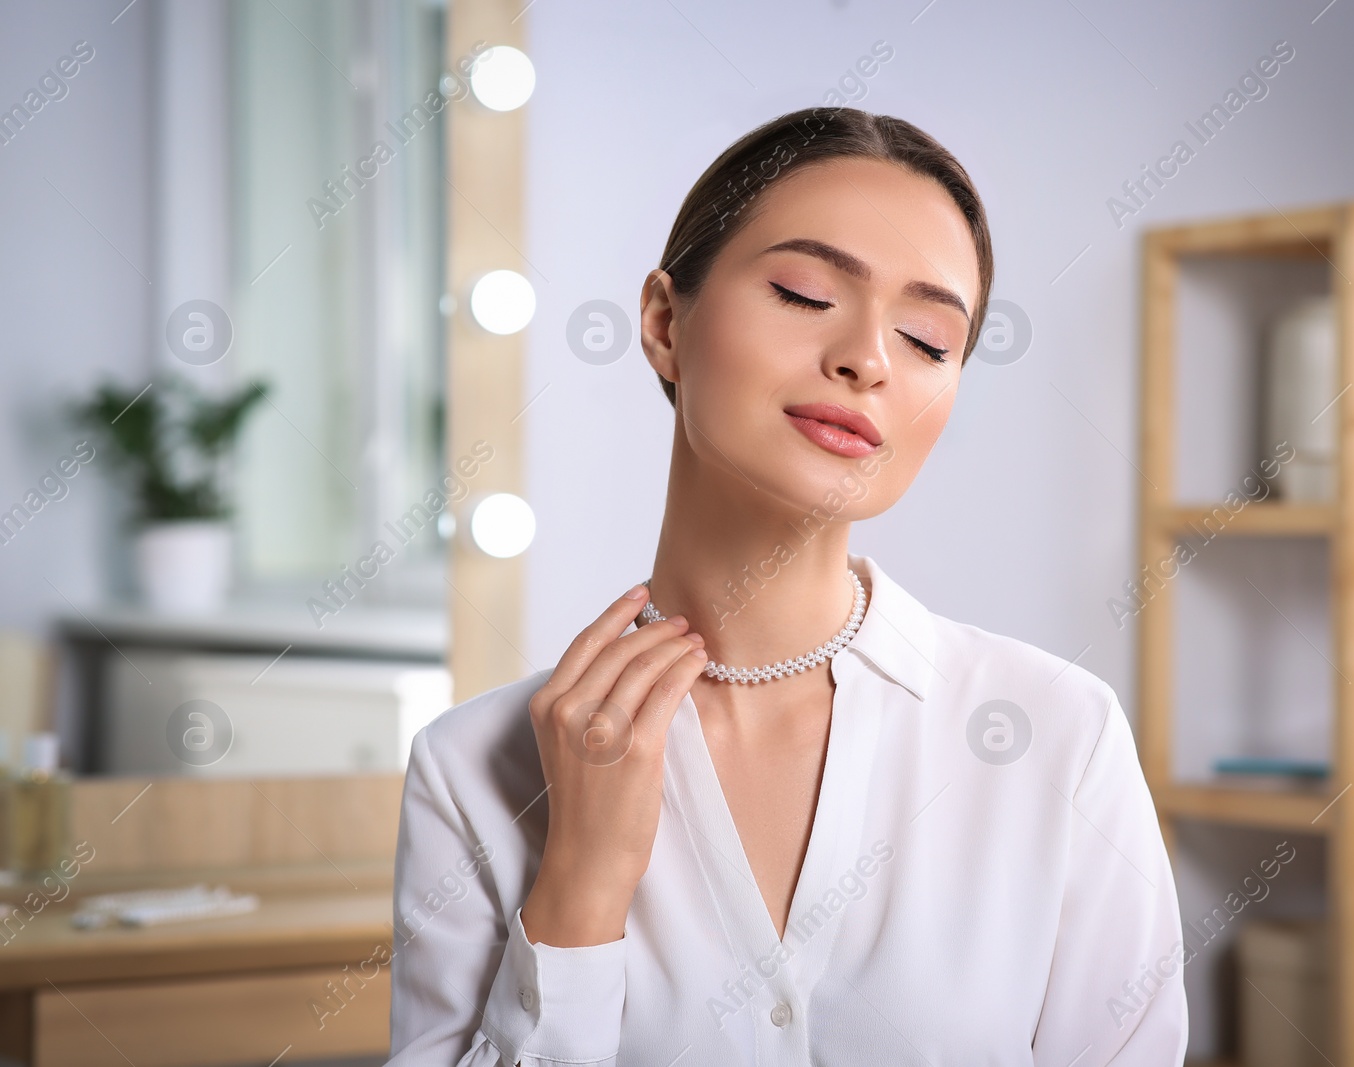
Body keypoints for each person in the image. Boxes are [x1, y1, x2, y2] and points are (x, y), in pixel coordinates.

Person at [387, 106, 1187, 1066]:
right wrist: (581, 892)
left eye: (930, 340)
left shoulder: (1057, 736)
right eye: (807, 293)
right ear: (662, 322)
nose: (868, 358)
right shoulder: (474, 770)